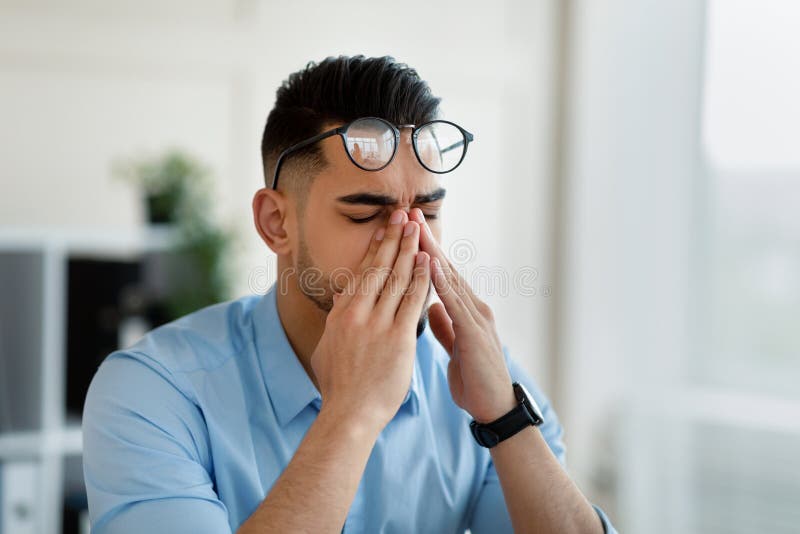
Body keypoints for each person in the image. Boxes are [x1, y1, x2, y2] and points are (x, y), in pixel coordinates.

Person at [83, 55, 617, 534]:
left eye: (428, 214)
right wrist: (353, 410)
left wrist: (504, 419)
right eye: (365, 215)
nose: (411, 244)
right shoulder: (153, 393)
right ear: (276, 223)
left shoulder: (483, 382)